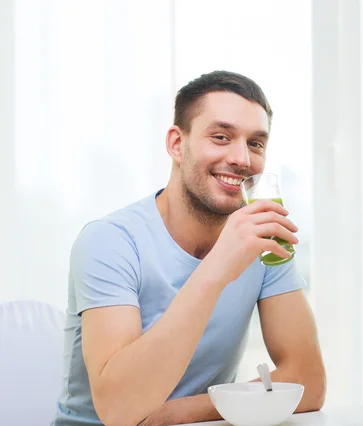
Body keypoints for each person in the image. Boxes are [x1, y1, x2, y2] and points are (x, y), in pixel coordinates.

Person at [52, 71, 326, 426]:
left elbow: (308, 381)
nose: (242, 158)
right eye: (221, 137)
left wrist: (181, 413)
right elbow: (119, 412)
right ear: (177, 144)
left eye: (256, 143)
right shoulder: (110, 241)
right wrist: (216, 268)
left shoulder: (263, 239)